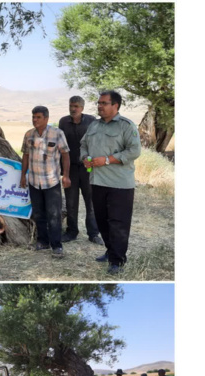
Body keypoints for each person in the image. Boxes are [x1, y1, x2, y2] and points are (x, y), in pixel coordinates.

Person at [81, 90, 142, 274]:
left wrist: (107, 160)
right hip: (97, 181)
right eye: (99, 103)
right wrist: (85, 157)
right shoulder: (94, 126)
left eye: (104, 103)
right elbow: (84, 144)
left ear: (115, 106)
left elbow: (134, 151)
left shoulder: (126, 126)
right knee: (102, 221)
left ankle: (117, 260)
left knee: (118, 222)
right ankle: (110, 251)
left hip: (119, 184)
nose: (100, 106)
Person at [20, 105, 71, 258]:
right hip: (34, 181)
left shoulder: (57, 133)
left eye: (38, 117)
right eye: (33, 117)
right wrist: (23, 175)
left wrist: (66, 176)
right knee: (38, 214)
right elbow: (26, 156)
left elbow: (66, 155)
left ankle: (57, 246)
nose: (35, 120)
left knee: (54, 214)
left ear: (46, 119)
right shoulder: (29, 135)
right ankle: (43, 241)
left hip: (52, 181)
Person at [57, 96, 103, 245]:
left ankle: (94, 233)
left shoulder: (92, 121)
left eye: (76, 106)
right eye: (71, 105)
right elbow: (61, 147)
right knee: (71, 202)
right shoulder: (63, 122)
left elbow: (97, 142)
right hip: (70, 169)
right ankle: (71, 232)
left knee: (91, 201)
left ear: (82, 108)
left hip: (88, 168)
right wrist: (63, 171)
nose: (73, 109)